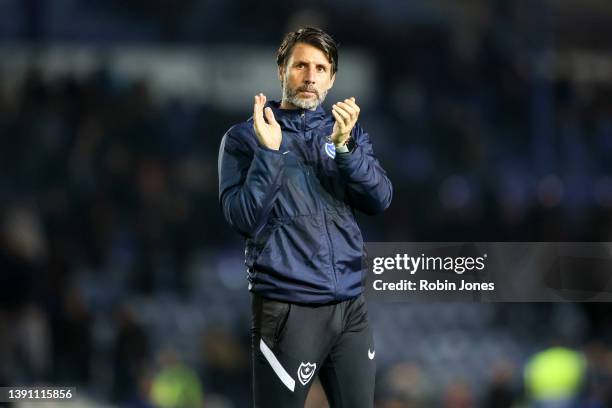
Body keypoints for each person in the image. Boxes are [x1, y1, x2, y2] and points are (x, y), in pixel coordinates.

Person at [217, 26, 392, 407]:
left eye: (320, 68)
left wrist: (346, 150)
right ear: (281, 70)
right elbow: (243, 219)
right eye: (300, 66)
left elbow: (379, 198)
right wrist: (270, 154)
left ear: (331, 78)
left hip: (350, 305)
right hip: (287, 308)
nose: (310, 77)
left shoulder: (346, 132)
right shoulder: (245, 139)